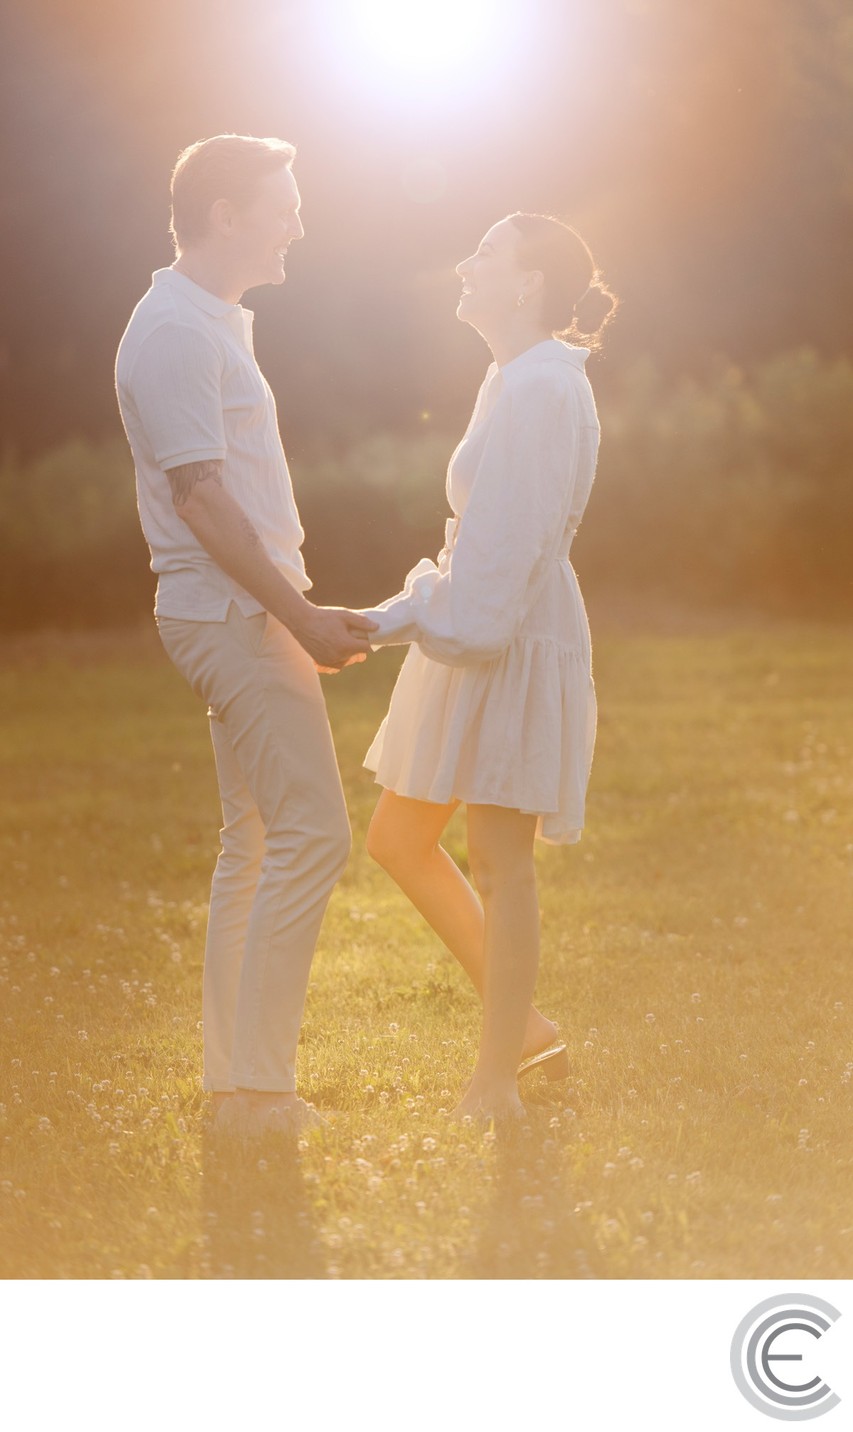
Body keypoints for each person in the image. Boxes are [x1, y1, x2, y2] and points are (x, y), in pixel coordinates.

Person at [115, 134, 377, 1137]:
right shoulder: (177, 332)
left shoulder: (207, 319)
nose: (298, 222)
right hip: (232, 614)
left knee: (256, 841)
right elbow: (203, 501)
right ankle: (260, 1092)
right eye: (283, 203)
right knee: (314, 830)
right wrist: (299, 616)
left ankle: (235, 1087)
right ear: (228, 214)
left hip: (238, 608)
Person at [361, 213, 617, 1122]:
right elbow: (476, 543)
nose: (463, 265)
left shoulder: (548, 388)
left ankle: (496, 1079)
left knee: (501, 860)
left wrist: (400, 625)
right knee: (397, 838)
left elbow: (510, 556)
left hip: (509, 633)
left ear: (529, 284)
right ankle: (529, 1028)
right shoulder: (508, 377)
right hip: (475, 621)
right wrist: (389, 618)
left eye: (486, 255)